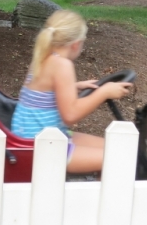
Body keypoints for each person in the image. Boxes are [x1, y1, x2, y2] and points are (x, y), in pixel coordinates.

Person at [11, 10, 132, 174]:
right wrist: (103, 92)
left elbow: (43, 92)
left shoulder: (42, 58)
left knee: (113, 146)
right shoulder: (62, 65)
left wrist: (74, 86)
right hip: (45, 148)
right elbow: (70, 115)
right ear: (76, 44)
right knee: (121, 157)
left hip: (32, 138)